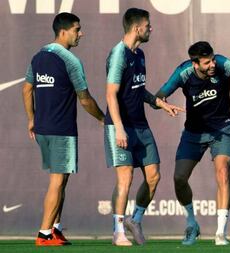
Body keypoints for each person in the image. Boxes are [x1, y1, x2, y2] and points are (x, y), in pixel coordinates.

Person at [155, 41, 230, 246]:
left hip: (222, 130)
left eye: (213, 59)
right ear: (195, 64)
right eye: (207, 62)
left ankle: (220, 233)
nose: (213, 64)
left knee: (222, 172)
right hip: (194, 133)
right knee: (179, 178)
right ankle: (192, 223)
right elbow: (159, 96)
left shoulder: (223, 64)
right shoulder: (184, 73)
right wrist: (164, 105)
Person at [22, 13, 105, 246]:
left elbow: (27, 89)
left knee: (62, 179)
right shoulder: (70, 60)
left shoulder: (38, 56)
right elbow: (85, 99)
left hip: (43, 130)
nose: (81, 33)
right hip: (61, 131)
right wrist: (103, 118)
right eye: (77, 29)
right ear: (63, 32)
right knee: (58, 181)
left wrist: (31, 119)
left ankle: (55, 228)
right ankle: (44, 234)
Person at [104, 8, 184, 247]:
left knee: (154, 176)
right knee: (125, 178)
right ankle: (118, 231)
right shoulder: (119, 54)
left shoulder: (139, 55)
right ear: (137, 28)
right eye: (148, 25)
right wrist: (118, 128)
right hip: (121, 125)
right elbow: (111, 95)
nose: (151, 29)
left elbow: (138, 90)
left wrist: (159, 102)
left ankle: (134, 219)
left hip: (141, 125)